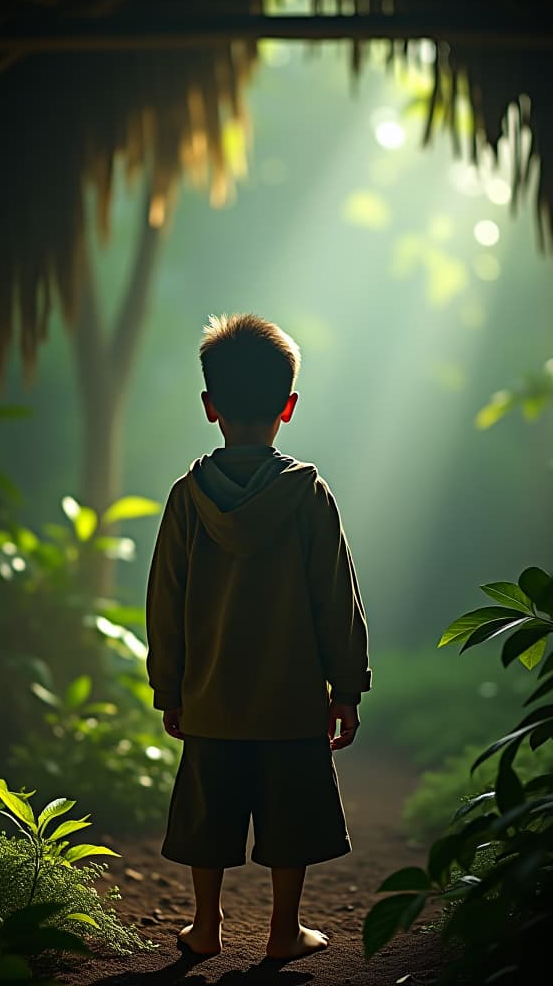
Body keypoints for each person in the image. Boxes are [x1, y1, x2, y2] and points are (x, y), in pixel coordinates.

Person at [146, 312, 371, 960]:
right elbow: (337, 600)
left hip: (211, 697)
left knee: (206, 816)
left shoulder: (187, 500)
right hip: (290, 699)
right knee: (291, 816)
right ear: (289, 407)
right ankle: (282, 932)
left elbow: (166, 605)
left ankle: (206, 926)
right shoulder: (308, 497)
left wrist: (171, 687)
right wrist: (347, 688)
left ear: (210, 406)